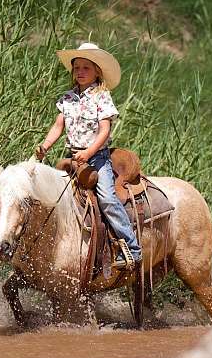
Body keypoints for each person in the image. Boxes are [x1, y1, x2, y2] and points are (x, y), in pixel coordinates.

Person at [35, 42, 142, 267]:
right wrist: (45, 146)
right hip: (72, 156)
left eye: (86, 68)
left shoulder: (101, 96)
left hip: (97, 158)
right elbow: (58, 126)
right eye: (77, 68)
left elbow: (105, 130)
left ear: (97, 72)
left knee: (107, 197)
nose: (80, 72)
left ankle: (132, 246)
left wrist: (89, 151)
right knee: (50, 193)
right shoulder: (68, 98)